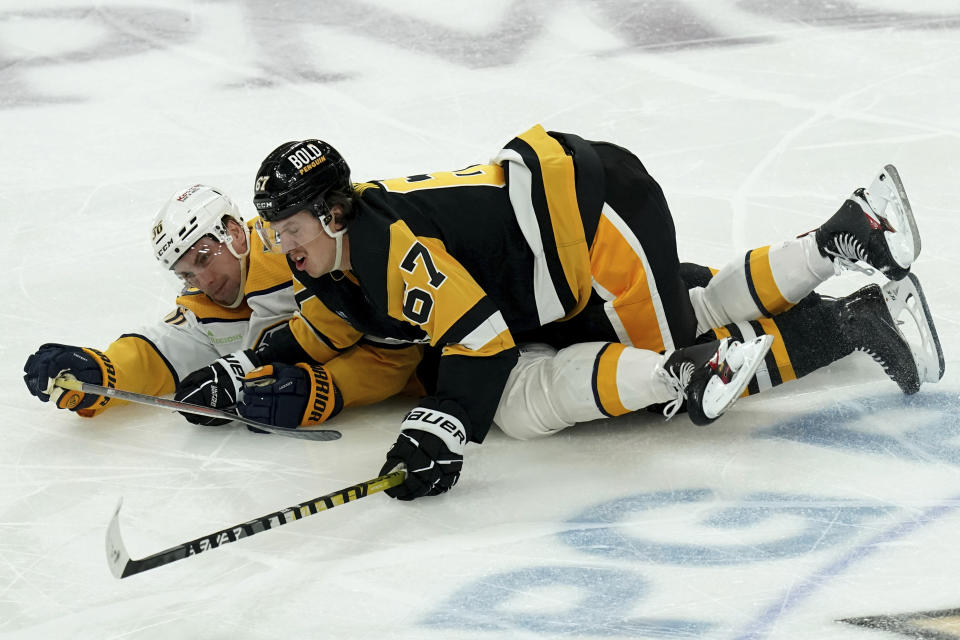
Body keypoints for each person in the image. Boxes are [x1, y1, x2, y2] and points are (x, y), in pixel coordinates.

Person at [239, 126, 942, 501]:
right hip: (573, 230)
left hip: (596, 224)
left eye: (290, 229)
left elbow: (481, 343)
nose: (281, 245)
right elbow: (363, 328)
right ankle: (842, 236)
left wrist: (440, 430)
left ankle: (851, 317)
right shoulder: (341, 251)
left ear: (332, 213)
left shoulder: (386, 248)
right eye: (273, 231)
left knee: (674, 372)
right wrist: (254, 362)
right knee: (684, 324)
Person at [22, 184, 421, 425]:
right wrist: (103, 371)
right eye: (188, 275)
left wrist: (329, 389)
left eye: (204, 258)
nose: (205, 282)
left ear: (234, 232)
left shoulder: (303, 253)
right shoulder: (207, 302)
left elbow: (392, 343)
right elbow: (162, 350)